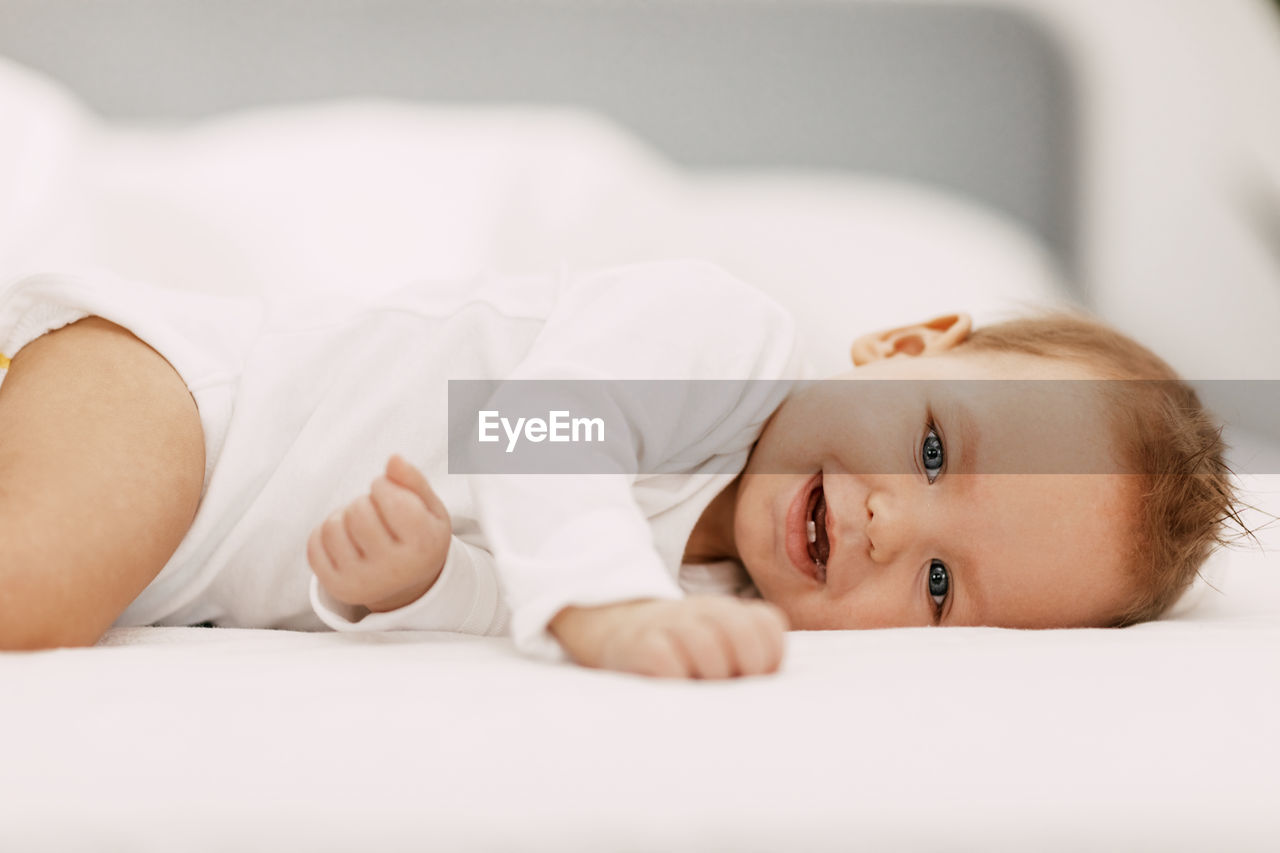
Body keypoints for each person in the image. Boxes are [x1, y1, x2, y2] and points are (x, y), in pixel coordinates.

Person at [0, 261, 1240, 679]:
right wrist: (600, 613)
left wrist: (419, 582)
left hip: (179, 559)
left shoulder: (722, 600)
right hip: (180, 407)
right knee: (32, 591)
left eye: (934, 585)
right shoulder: (721, 336)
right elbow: (535, 432)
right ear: (900, 346)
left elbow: (500, 592)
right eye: (928, 451)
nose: (881, 522)